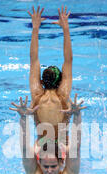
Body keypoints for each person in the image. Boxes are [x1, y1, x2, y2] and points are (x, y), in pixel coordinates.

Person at [27, 6, 73, 142]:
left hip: (42, 146)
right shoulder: (63, 96)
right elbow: (68, 60)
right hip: (62, 145)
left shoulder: (36, 96)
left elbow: (33, 59)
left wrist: (35, 28)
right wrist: (65, 29)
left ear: (41, 81)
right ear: (60, 82)